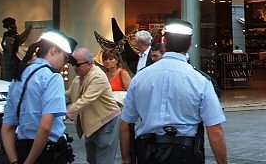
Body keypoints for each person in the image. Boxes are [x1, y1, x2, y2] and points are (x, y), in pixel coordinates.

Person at [120, 19, 227, 164]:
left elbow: (126, 123)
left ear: (163, 42)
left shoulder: (140, 77)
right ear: (190, 44)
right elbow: (214, 129)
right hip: (185, 153)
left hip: (148, 152)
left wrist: (126, 158)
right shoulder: (201, 81)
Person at [1, 30, 76, 164]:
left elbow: (7, 128)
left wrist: (14, 161)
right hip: (45, 153)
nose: (64, 63)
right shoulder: (52, 77)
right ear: (53, 50)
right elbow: (45, 127)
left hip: (21, 149)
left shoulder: (19, 76)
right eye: (65, 58)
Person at [67, 47, 121, 164]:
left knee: (103, 160)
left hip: (106, 122)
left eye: (77, 64)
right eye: (73, 64)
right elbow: (68, 95)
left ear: (89, 64)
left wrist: (66, 112)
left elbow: (86, 100)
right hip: (92, 125)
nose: (75, 67)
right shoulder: (79, 78)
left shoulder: (97, 76)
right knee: (91, 159)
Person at [0, 17, 32, 81]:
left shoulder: (15, 34)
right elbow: (3, 44)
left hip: (11, 56)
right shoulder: (8, 34)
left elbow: (14, 45)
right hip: (8, 56)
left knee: (10, 72)